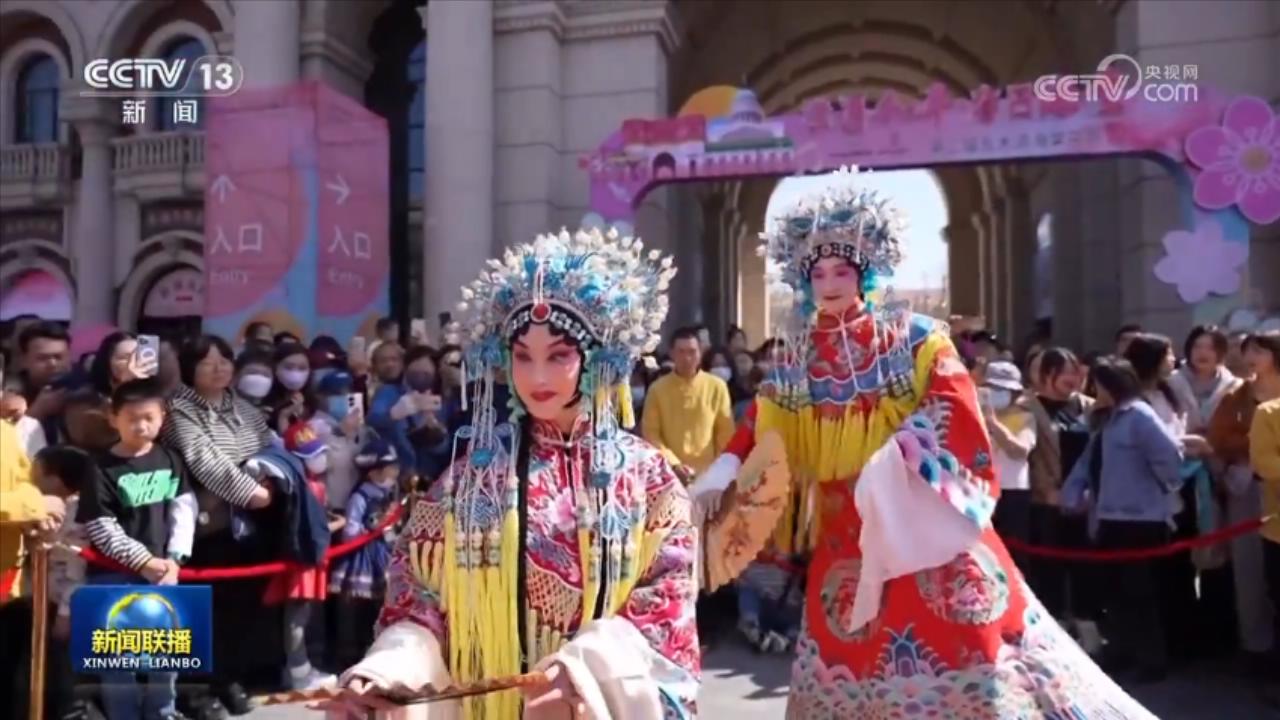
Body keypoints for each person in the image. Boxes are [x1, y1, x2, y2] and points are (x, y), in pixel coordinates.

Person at [690, 175, 1154, 717]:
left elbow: (952, 403)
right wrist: (725, 465)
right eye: (817, 273)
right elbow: (765, 418)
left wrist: (897, 457)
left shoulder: (913, 337)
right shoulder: (799, 354)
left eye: (842, 271)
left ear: (865, 274)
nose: (829, 283)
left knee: (959, 645)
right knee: (849, 655)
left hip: (917, 516)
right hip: (844, 530)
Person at [327, 228, 698, 720]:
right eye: (523, 356)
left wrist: (588, 672)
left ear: (597, 358)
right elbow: (418, 595)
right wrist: (390, 671)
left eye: (558, 356)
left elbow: (668, 600)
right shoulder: (467, 484)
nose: (537, 376)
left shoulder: (647, 478)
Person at [162, 335, 272, 719]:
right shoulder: (177, 410)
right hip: (202, 529)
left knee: (238, 610)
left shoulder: (244, 407)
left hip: (244, 527)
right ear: (189, 367)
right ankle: (195, 692)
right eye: (207, 362)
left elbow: (268, 447)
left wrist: (272, 480)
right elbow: (204, 461)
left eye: (224, 360)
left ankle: (228, 679)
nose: (219, 368)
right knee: (200, 613)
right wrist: (252, 492)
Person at [78, 379, 198, 720]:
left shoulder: (170, 459)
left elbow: (183, 510)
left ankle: (163, 712)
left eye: (149, 417)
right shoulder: (99, 467)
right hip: (111, 575)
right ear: (113, 418)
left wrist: (175, 558)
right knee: (117, 662)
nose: (141, 426)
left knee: (166, 657)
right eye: (131, 418)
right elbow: (100, 526)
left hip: (163, 574)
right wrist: (142, 561)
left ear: (162, 418)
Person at [1062, 358, 1184, 683]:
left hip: (1139, 519)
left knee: (1139, 591)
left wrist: (1161, 490)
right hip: (1108, 517)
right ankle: (1122, 649)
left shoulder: (1140, 415)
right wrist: (1070, 496)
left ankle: (1151, 659)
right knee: (1114, 590)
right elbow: (1088, 463)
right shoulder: (1107, 420)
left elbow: (1169, 457)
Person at [1125, 333, 1210, 661]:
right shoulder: (1131, 399)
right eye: (1168, 354)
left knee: (1180, 567)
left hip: (1181, 484)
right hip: (1148, 493)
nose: (1173, 360)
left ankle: (1184, 640)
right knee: (1152, 574)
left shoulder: (1171, 391)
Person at [1209, 331, 1280, 676]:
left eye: (1259, 350)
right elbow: (1217, 437)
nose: (1251, 356)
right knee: (1250, 568)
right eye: (1248, 350)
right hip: (1248, 486)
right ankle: (1255, 646)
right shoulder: (1237, 395)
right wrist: (1251, 444)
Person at [1168, 325, 1241, 653]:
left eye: (1210, 347)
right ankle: (1182, 634)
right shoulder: (1171, 382)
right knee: (1178, 554)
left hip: (1219, 474)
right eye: (1197, 345)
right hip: (1178, 476)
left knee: (1219, 555)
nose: (1203, 353)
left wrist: (1213, 443)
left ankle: (1217, 634)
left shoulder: (1234, 386)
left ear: (1222, 352)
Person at [263, 422, 343, 691]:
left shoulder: (308, 483)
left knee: (301, 616)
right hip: (302, 560)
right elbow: (311, 528)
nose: (320, 459)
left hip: (305, 556)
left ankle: (297, 668)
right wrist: (335, 525)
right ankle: (299, 672)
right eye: (312, 455)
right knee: (297, 616)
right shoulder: (304, 486)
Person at [327, 437, 400, 669]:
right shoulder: (360, 497)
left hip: (383, 554)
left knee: (378, 607)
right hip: (361, 560)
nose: (395, 472)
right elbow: (350, 532)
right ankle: (349, 655)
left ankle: (375, 648)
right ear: (374, 472)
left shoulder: (388, 494)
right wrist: (373, 526)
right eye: (390, 468)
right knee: (355, 608)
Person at [642, 327, 735, 483]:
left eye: (692, 352)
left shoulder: (716, 387)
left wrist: (717, 471)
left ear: (701, 353)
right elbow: (651, 435)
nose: (687, 358)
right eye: (681, 352)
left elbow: (725, 433)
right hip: (668, 474)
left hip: (709, 474)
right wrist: (674, 464)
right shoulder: (657, 389)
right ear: (672, 354)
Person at [367, 346, 452, 485]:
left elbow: (446, 450)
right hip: (394, 476)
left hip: (430, 479)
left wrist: (435, 435)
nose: (420, 376)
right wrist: (393, 415)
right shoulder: (389, 393)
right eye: (416, 372)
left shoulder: (440, 402)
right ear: (405, 369)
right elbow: (372, 421)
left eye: (425, 373)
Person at [981, 360, 1037, 571]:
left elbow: (1019, 450)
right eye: (992, 388)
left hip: (1013, 491)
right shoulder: (975, 415)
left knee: (1014, 555)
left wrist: (993, 424)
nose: (997, 393)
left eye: (1003, 389)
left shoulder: (1025, 417)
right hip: (982, 490)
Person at [264, 343, 316, 434]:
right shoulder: (264, 403)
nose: (295, 373)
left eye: (302, 368)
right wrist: (284, 416)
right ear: (275, 368)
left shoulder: (314, 403)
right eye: (288, 367)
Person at [88, 331, 158, 397]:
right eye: (125, 358)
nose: (134, 362)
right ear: (108, 363)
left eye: (138, 356)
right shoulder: (93, 399)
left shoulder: (156, 395)